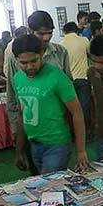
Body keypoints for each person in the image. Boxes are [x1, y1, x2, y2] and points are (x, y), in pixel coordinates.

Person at [6, 10, 72, 175]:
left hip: (56, 129)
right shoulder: (16, 57)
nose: (46, 38)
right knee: (37, 178)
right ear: (30, 30)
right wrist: (17, 130)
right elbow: (13, 96)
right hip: (30, 130)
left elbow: (70, 91)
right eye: (41, 33)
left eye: (50, 33)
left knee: (55, 178)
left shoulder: (60, 52)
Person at [12, 34, 87, 174]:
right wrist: (19, 150)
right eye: (23, 63)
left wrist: (81, 150)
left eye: (33, 61)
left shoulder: (57, 77)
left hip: (57, 145)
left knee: (49, 189)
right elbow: (22, 114)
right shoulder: (17, 79)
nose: (29, 67)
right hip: (34, 144)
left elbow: (77, 112)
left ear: (41, 54)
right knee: (46, 188)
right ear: (16, 59)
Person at [60, 22, 91, 132]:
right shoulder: (84, 40)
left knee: (71, 109)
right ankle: (85, 132)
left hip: (68, 81)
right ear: (77, 30)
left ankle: (73, 133)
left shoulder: (61, 45)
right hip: (83, 79)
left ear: (64, 32)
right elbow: (91, 54)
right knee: (84, 108)